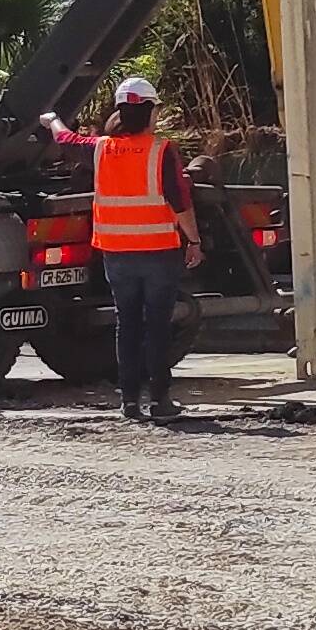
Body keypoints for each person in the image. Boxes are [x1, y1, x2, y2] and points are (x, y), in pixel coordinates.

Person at [86, 75, 196, 424]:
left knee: (127, 324)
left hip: (117, 254)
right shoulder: (161, 151)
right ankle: (160, 399)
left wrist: (51, 120)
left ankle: (129, 400)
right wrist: (194, 241)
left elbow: (65, 139)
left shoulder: (100, 148)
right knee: (157, 326)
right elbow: (179, 200)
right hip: (158, 251)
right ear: (150, 112)